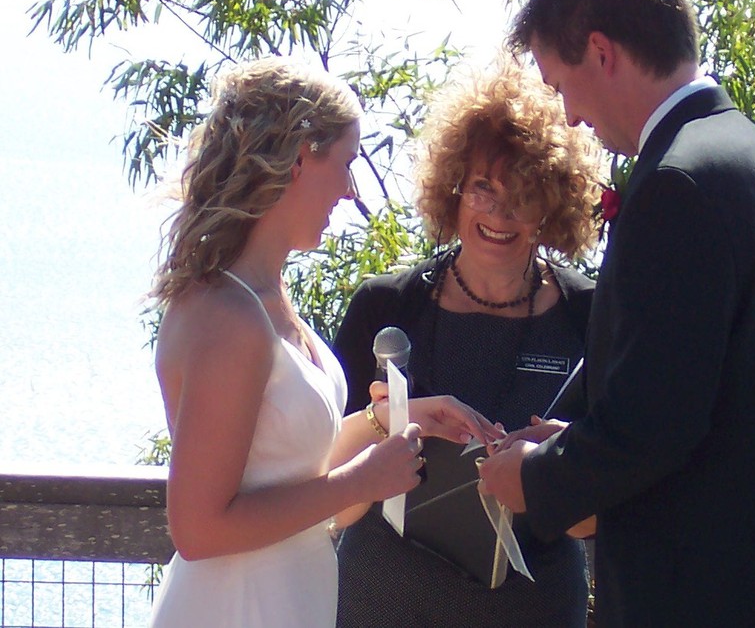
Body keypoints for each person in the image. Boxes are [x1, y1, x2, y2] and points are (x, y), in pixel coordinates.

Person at [479, 0, 755, 627]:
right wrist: (581, 440)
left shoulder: (676, 184)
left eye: (560, 86)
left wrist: (533, 475)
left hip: (710, 595)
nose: (567, 117)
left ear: (601, 51)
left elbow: (656, 425)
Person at [147, 57, 500, 628]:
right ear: (298, 159)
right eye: (345, 163)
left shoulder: (261, 294)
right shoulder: (228, 314)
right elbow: (199, 529)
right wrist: (360, 481)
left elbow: (296, 476)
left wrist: (392, 421)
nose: (348, 187)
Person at [332, 56, 602, 627]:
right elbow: (330, 495)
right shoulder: (385, 308)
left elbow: (601, 511)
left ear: (554, 202)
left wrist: (561, 464)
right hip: (382, 608)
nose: (500, 212)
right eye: (483, 187)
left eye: (525, 193)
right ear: (451, 190)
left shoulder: (592, 316)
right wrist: (387, 426)